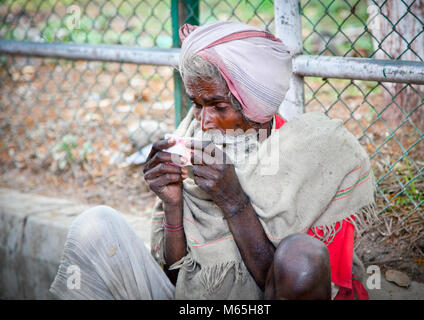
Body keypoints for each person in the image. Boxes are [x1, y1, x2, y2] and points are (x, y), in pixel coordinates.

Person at [50, 21, 376, 300]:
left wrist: (234, 202)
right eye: (196, 103)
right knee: (95, 227)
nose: (204, 121)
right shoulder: (197, 138)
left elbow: (295, 281)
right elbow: (178, 278)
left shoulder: (311, 157)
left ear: (255, 102)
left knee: (301, 256)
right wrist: (173, 204)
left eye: (218, 106)